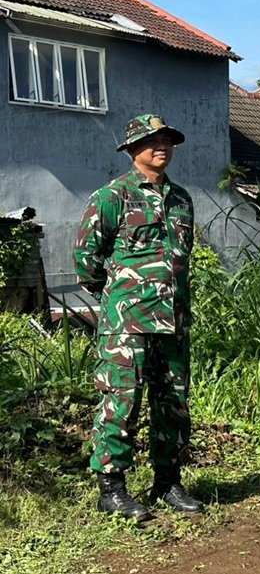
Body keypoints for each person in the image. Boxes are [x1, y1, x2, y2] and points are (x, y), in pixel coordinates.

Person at [74, 113, 203, 521]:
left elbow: (182, 256)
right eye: (152, 141)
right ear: (132, 150)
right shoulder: (111, 197)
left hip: (173, 320)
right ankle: (111, 489)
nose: (161, 147)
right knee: (121, 402)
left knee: (173, 403)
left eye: (167, 140)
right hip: (126, 324)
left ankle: (168, 483)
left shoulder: (181, 199)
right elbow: (85, 259)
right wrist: (118, 295)